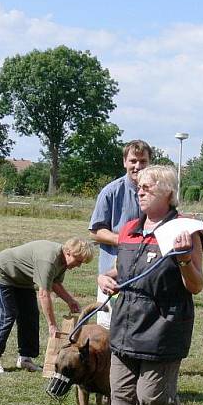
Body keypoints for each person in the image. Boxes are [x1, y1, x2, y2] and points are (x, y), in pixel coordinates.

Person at [97, 165, 203, 405]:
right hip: (127, 323)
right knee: (123, 396)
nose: (140, 191)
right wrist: (107, 277)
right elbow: (127, 268)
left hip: (164, 326)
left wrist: (184, 259)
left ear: (168, 193)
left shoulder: (184, 230)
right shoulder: (129, 228)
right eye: (138, 186)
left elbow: (196, 284)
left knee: (152, 397)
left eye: (148, 187)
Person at [0, 238, 93, 374]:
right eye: (78, 261)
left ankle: (25, 358)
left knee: (30, 315)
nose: (79, 265)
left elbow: (54, 283)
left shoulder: (62, 263)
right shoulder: (49, 260)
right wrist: (52, 324)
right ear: (68, 252)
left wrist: (70, 301)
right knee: (7, 315)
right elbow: (44, 294)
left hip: (23, 280)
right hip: (3, 272)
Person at [88, 140, 151, 328]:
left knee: (138, 330)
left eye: (143, 161)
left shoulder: (156, 193)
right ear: (124, 162)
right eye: (133, 161)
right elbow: (95, 232)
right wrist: (125, 241)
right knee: (107, 331)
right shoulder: (110, 192)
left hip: (144, 275)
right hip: (111, 276)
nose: (137, 166)